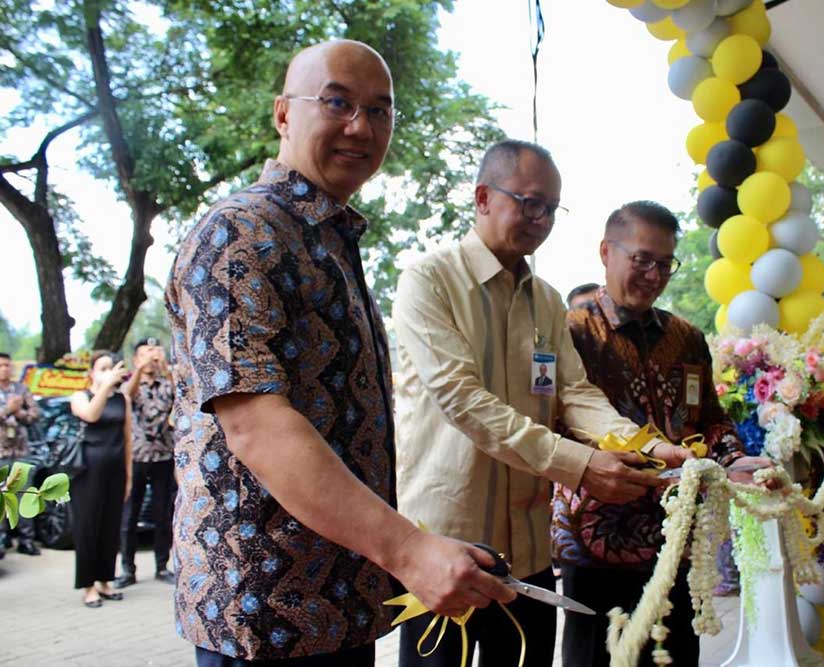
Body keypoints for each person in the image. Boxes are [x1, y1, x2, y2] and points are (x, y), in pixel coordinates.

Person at [166, 40, 513, 667]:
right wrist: (408, 550)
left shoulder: (329, 240)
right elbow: (256, 426)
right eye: (337, 102)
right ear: (282, 114)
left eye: (380, 111)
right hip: (265, 612)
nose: (361, 126)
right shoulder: (240, 232)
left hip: (343, 602)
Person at [393, 141, 691, 667]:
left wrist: (646, 447)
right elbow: (462, 399)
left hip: (527, 553)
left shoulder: (548, 301)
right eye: (530, 203)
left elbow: (572, 394)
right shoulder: (429, 280)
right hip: (447, 550)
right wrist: (578, 466)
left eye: (552, 208)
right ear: (483, 197)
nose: (542, 220)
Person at [551, 201, 766, 666]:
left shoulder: (686, 337)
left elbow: (710, 417)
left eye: (666, 263)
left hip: (676, 535)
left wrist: (734, 460)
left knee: (676, 656)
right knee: (598, 655)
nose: (655, 274)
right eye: (642, 260)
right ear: (606, 252)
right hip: (595, 540)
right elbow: (549, 423)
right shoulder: (571, 331)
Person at [69, 351, 132, 608]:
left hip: (115, 469)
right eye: (103, 368)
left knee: (110, 526)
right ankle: (88, 586)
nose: (109, 372)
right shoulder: (80, 396)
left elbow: (128, 439)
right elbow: (91, 415)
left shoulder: (122, 399)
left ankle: (106, 580)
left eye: (112, 368)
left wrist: (128, 477)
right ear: (91, 373)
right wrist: (104, 387)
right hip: (87, 471)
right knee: (88, 526)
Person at [115, 337, 175, 589]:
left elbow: (182, 396)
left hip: (163, 455)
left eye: (153, 352)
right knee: (130, 516)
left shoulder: (166, 381)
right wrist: (139, 370)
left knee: (163, 514)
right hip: (136, 457)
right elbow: (125, 398)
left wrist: (166, 367)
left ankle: (162, 566)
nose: (150, 357)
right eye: (145, 354)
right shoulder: (132, 384)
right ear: (136, 359)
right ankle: (128, 569)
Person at [0, 351, 41, 557]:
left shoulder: (21, 389)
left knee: (24, 496)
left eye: (7, 365)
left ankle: (27, 540)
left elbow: (35, 414)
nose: (5, 369)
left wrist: (18, 412)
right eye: (1, 365)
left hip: (21, 451)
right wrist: (7, 410)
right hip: (0, 452)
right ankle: (2, 539)